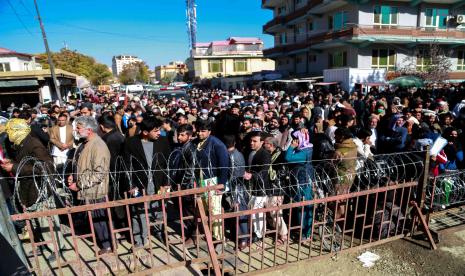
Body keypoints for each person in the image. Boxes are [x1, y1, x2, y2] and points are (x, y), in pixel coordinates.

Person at [122, 118, 171, 247]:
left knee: (159, 209)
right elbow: (126, 166)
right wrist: (130, 185)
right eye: (156, 131)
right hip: (140, 184)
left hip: (158, 182)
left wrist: (167, 183)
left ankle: (160, 233)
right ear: (144, 132)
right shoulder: (131, 143)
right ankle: (140, 239)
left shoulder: (163, 141)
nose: (159, 133)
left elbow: (167, 164)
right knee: (139, 212)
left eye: (159, 130)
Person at [67, 116, 112, 255]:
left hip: (96, 191)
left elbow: (99, 173)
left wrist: (79, 184)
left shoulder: (98, 145)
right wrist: (73, 176)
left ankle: (108, 246)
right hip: (88, 190)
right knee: (95, 219)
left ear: (89, 130)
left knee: (100, 220)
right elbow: (82, 165)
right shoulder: (84, 143)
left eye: (79, 128)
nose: (76, 130)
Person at [193, 120, 230, 241]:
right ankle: (206, 233)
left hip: (213, 181)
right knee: (202, 209)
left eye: (203, 131)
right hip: (200, 180)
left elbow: (224, 165)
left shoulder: (217, 144)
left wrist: (221, 185)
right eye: (198, 130)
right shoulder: (196, 143)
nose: (199, 133)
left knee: (215, 210)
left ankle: (218, 238)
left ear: (209, 131)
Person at [285, 130, 313, 241]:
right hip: (303, 180)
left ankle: (305, 234)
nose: (294, 141)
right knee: (305, 208)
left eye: (296, 139)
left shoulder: (302, 152)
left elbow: (288, 158)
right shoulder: (308, 147)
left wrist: (291, 147)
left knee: (303, 209)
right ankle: (305, 232)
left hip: (302, 183)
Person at [243, 131, 271, 246]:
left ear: (262, 142)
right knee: (252, 209)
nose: (251, 143)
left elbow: (264, 171)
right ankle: (253, 231)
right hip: (250, 186)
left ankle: (258, 234)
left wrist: (251, 176)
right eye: (251, 140)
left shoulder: (265, 154)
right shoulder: (249, 152)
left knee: (257, 211)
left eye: (255, 141)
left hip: (261, 187)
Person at [224, 135, 249, 249]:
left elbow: (236, 177)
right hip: (231, 188)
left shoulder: (234, 156)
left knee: (241, 213)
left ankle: (244, 239)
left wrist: (234, 196)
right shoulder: (230, 154)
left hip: (237, 189)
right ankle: (238, 236)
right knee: (235, 213)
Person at [263, 136, 288, 245]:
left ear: (271, 145)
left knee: (276, 211)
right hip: (270, 187)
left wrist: (271, 173)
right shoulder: (270, 154)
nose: (263, 145)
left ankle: (283, 235)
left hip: (277, 188)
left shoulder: (281, 155)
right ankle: (276, 231)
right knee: (270, 211)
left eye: (265, 143)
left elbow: (283, 172)